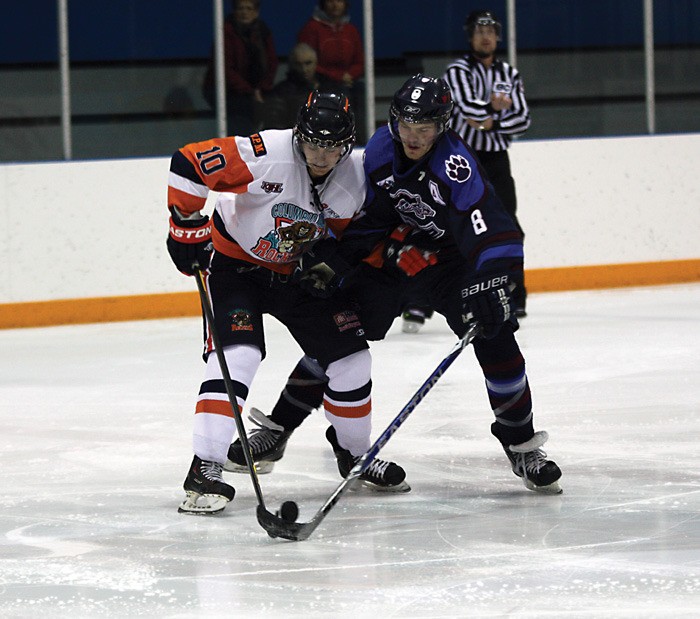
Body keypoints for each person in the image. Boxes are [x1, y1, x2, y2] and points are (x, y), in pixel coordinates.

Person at [226, 75, 562, 496]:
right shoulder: (383, 148)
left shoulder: (454, 166)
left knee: (497, 340)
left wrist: (491, 279)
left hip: (452, 266)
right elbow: (375, 217)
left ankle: (521, 445)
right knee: (339, 331)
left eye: (424, 129)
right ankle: (278, 430)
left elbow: (493, 229)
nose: (413, 137)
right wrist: (344, 258)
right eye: (406, 125)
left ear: (443, 126)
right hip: (396, 260)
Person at [166, 91, 409, 515]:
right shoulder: (267, 153)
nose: (321, 155)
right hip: (234, 268)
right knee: (239, 354)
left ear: (346, 145)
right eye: (314, 143)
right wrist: (185, 228)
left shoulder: (357, 175)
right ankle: (205, 467)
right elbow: (189, 162)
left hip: (297, 276)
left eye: (332, 147)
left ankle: (355, 455)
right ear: (299, 134)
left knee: (352, 360)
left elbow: (368, 233)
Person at [442, 9, 531, 318]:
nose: (485, 36)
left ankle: (515, 293)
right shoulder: (457, 72)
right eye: (480, 31)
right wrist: (491, 112)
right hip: (464, 161)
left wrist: (490, 120)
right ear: (470, 36)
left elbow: (523, 119)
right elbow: (467, 109)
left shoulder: (510, 74)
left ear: (498, 36)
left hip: (496, 160)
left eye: (491, 30)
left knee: (509, 226)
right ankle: (433, 297)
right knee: (456, 226)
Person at [202, 0, 278, 136]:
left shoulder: (263, 32)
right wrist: (250, 92)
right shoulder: (225, 33)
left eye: (249, 9)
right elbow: (226, 70)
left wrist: (261, 89)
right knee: (243, 111)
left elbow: (272, 63)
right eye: (240, 8)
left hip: (256, 90)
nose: (244, 12)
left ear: (256, 12)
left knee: (276, 104)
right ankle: (241, 146)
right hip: (226, 90)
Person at [297, 0, 365, 141]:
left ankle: (361, 138)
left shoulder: (350, 30)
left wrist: (350, 74)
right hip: (323, 81)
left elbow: (360, 61)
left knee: (361, 91)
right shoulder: (312, 28)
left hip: (348, 81)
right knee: (342, 94)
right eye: (330, 1)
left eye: (339, 1)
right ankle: (339, 136)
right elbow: (308, 61)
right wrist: (338, 76)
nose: (335, 5)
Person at [264, 43, 320, 129]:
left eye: (308, 63)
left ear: (316, 63)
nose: (304, 69)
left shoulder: (328, 88)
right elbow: (275, 126)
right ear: (292, 66)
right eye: (298, 64)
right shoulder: (280, 92)